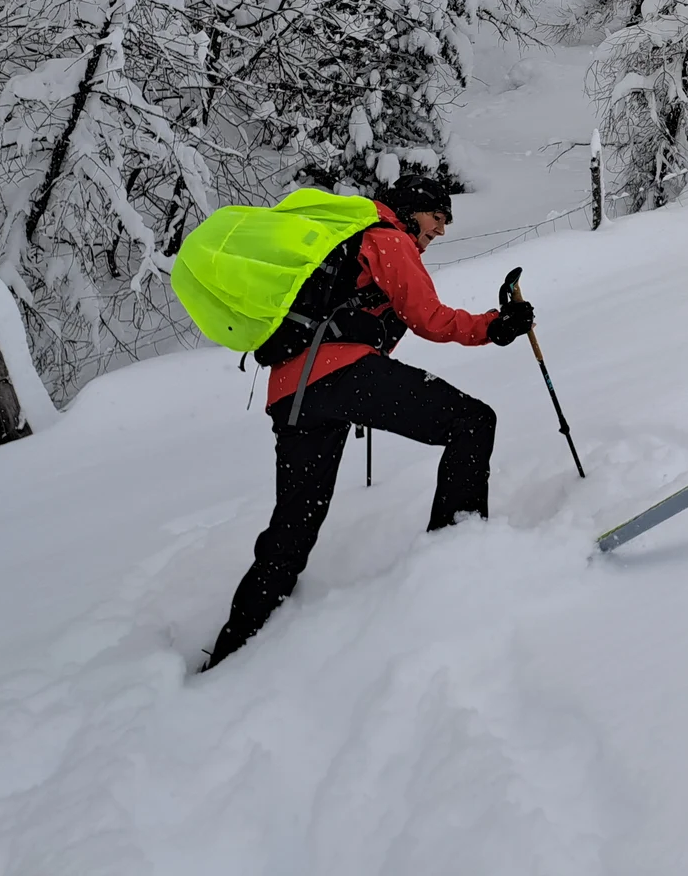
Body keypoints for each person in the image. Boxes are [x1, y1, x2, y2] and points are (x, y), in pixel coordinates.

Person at [204, 172, 536, 669]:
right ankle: (457, 561)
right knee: (472, 421)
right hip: (340, 373)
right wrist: (495, 325)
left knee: (294, 526)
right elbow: (429, 317)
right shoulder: (385, 236)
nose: (442, 229)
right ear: (410, 210)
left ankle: (232, 651)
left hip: (292, 394)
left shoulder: (354, 246)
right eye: (437, 216)